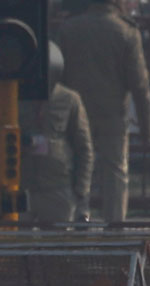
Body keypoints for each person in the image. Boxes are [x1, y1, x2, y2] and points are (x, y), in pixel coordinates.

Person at [54, 0, 150, 224]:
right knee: (115, 171)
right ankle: (114, 226)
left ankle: (79, 216)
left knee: (76, 165)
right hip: (111, 113)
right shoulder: (126, 31)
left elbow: (58, 75)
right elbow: (139, 84)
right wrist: (146, 125)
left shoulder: (69, 28)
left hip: (74, 110)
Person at [19, 82, 95, 225]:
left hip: (57, 187)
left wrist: (81, 191)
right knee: (15, 243)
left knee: (57, 243)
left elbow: (84, 148)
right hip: (20, 187)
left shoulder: (69, 99)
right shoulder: (14, 95)